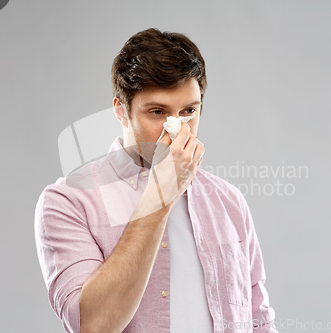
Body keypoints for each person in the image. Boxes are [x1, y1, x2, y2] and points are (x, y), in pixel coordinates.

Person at [34, 28, 278, 333]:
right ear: (121, 112)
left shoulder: (228, 200)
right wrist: (161, 194)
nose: (176, 131)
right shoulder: (69, 201)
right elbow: (93, 325)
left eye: (189, 111)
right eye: (157, 112)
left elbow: (258, 320)